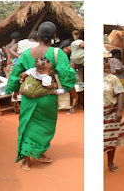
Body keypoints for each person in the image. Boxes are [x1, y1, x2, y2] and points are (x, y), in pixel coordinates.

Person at [5, 21, 76, 171]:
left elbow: (16, 73)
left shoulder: (25, 54)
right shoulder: (58, 54)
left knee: (26, 125)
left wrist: (14, 89)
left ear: (37, 36)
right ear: (53, 36)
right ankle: (40, 152)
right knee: (45, 126)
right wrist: (71, 92)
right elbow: (67, 74)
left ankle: (26, 160)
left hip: (29, 97)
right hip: (47, 97)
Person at [103, 60, 124, 172]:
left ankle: (110, 162)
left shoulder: (112, 79)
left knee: (111, 140)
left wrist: (119, 110)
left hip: (110, 114)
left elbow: (120, 94)